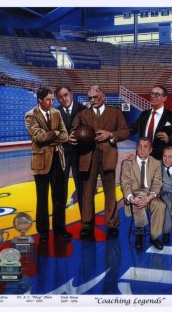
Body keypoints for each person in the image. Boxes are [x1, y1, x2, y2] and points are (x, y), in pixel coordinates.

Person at [70, 85, 129, 238]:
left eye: (95, 97)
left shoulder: (115, 113)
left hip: (108, 155)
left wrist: (110, 134)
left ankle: (112, 224)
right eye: (90, 98)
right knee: (87, 192)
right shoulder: (82, 114)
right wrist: (72, 135)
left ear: (103, 96)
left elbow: (125, 132)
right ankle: (87, 225)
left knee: (110, 192)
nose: (92, 100)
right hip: (87, 156)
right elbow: (73, 129)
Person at [24, 87, 70, 241]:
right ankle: (43, 232)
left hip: (58, 160)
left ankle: (59, 229)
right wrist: (55, 133)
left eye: (52, 99)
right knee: (42, 199)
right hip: (41, 162)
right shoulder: (30, 115)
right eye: (48, 100)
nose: (52, 102)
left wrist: (53, 136)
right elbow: (38, 138)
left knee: (59, 198)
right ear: (40, 100)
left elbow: (65, 136)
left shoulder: (57, 113)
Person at [120, 138, 165, 250]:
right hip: (134, 195)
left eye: (145, 147)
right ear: (136, 148)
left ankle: (154, 237)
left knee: (160, 205)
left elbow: (157, 183)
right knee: (138, 200)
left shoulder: (156, 163)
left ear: (150, 150)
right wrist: (131, 198)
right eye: (140, 146)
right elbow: (125, 183)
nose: (142, 149)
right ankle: (139, 232)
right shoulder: (127, 163)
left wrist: (149, 197)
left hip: (150, 195)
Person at [55, 86, 87, 216]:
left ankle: (85, 223)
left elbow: (89, 130)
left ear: (71, 94)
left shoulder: (83, 109)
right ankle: (60, 225)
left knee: (82, 189)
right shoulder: (55, 113)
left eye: (66, 95)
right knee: (61, 190)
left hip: (80, 155)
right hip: (62, 155)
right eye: (61, 97)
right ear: (58, 99)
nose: (64, 98)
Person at [130, 86, 172, 160]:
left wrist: (169, 139)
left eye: (157, 94)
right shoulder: (143, 114)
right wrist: (114, 134)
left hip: (161, 159)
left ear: (165, 98)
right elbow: (132, 129)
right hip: (142, 157)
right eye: (152, 94)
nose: (153, 96)